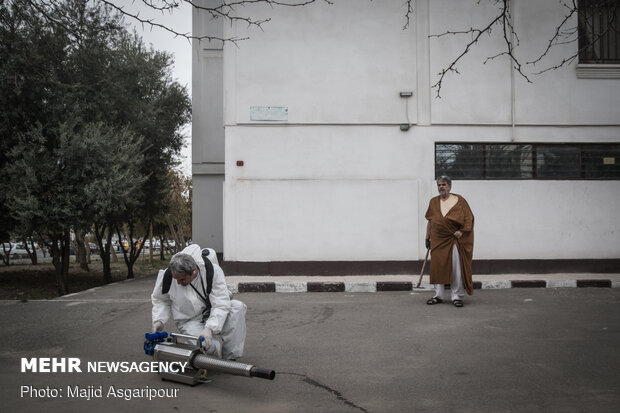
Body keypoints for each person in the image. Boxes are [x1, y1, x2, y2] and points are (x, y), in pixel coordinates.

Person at [151, 244, 246, 360]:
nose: (178, 283)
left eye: (182, 279)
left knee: (237, 307)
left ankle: (231, 358)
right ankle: (213, 357)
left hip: (211, 311)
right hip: (189, 320)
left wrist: (209, 329)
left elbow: (221, 303)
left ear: (194, 271)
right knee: (208, 347)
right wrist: (159, 320)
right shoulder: (167, 276)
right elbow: (161, 300)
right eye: (176, 280)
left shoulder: (212, 271)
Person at [424, 176, 475, 307]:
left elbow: (469, 218)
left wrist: (462, 231)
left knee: (455, 267)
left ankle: (457, 296)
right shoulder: (433, 202)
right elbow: (430, 221)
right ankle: (438, 295)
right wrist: (427, 237)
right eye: (439, 185)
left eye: (444, 185)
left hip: (453, 239)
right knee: (437, 267)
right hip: (438, 239)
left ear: (450, 186)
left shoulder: (459, 200)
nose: (441, 187)